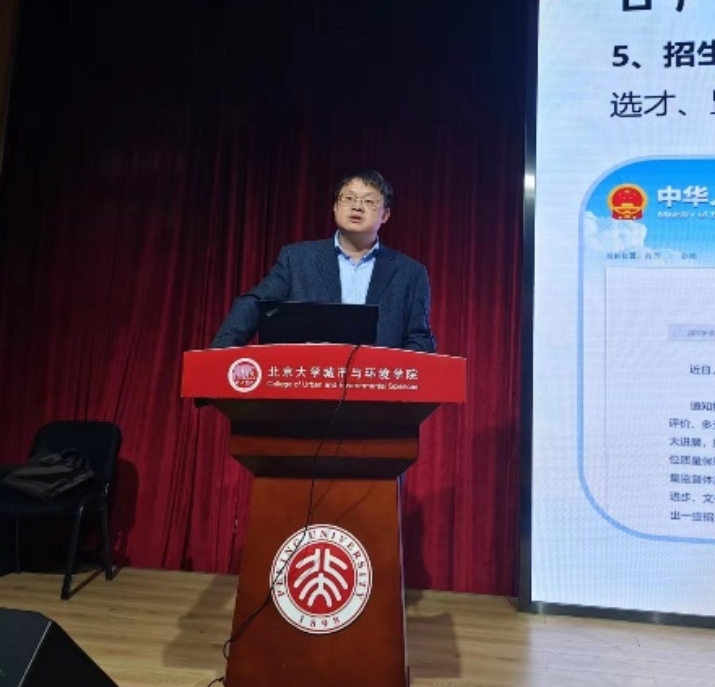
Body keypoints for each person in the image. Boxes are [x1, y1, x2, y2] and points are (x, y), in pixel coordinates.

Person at [211, 169, 436, 352]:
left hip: (377, 387)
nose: (357, 206)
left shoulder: (410, 273)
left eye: (369, 201)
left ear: (385, 215)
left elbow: (419, 338)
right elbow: (255, 305)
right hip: (309, 382)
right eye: (349, 198)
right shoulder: (297, 260)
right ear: (335, 207)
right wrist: (219, 356)